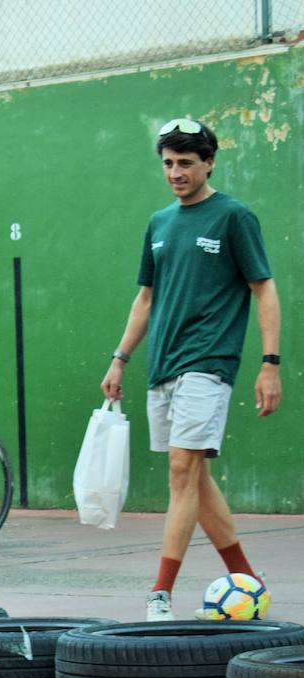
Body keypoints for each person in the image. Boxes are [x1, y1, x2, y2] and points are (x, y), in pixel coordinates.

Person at [100, 118, 282, 622]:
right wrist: (120, 358)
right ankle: (249, 582)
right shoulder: (159, 223)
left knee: (183, 470)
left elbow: (263, 289)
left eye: (185, 163)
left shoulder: (234, 217)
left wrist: (270, 364)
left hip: (210, 361)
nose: (175, 172)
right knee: (193, 479)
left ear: (209, 162)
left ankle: (160, 592)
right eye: (168, 164)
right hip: (163, 364)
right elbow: (146, 298)